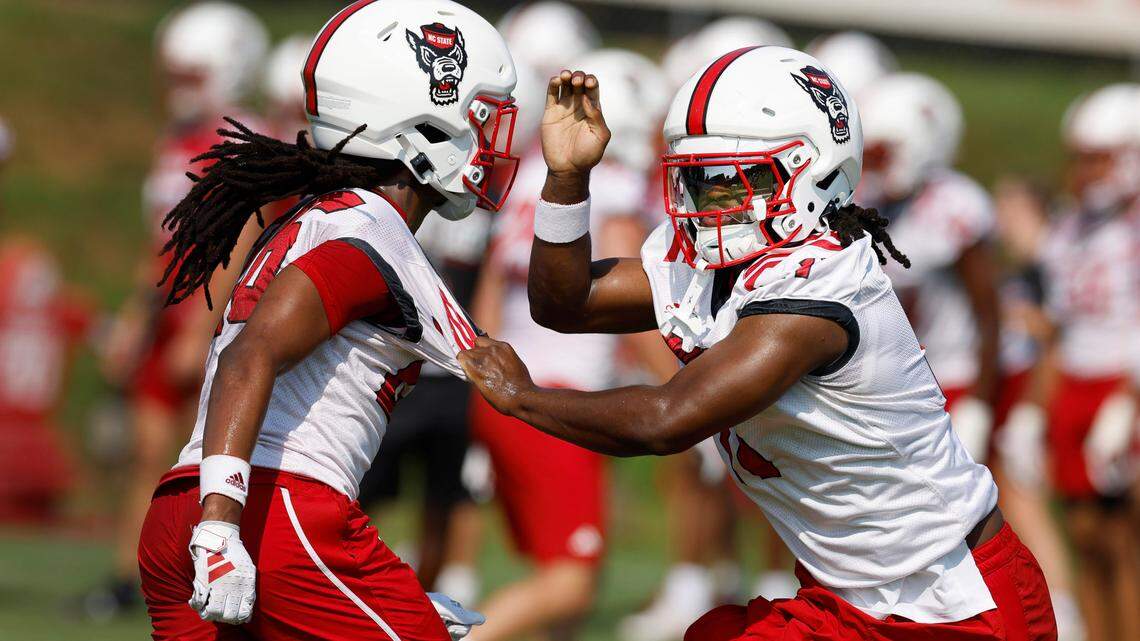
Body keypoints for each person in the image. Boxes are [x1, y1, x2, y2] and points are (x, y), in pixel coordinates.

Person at [460, 48, 1057, 640]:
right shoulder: (718, 260)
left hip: (953, 603)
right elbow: (566, 302)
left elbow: (666, 420)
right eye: (699, 181)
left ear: (816, 168)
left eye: (736, 180)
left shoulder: (821, 291)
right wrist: (566, 180)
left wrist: (523, 397)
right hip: (847, 599)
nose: (716, 205)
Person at [134, 1, 520, 639]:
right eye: (477, 116)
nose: (487, 139)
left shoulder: (320, 215)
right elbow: (249, 355)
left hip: (183, 502)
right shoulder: (367, 231)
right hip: (270, 505)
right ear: (420, 119)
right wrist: (224, 528)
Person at [466, 48, 674, 641]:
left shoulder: (531, 177)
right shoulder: (608, 188)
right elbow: (645, 308)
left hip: (506, 392)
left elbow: (486, 300)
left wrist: (481, 388)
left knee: (565, 589)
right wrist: (693, 387)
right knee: (569, 583)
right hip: (559, 398)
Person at [89, 1, 271, 619]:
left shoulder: (237, 138)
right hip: (167, 312)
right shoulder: (174, 141)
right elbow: (160, 245)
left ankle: (204, 572)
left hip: (213, 318)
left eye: (191, 75)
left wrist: (201, 323)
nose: (177, 89)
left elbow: (240, 240)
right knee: (146, 453)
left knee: (205, 459)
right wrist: (136, 322)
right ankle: (128, 577)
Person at [1001, 84, 1140, 641]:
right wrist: (1034, 411)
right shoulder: (1069, 230)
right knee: (1086, 539)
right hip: (1077, 387)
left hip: (1123, 385)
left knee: (1126, 540)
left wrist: (1129, 401)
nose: (1086, 172)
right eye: (1080, 157)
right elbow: (1056, 333)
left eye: (1098, 158)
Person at [858, 73, 1002, 465]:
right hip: (891, 386)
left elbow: (990, 313)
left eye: (881, 153)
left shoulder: (955, 206)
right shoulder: (871, 202)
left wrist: (979, 404)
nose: (871, 166)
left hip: (950, 378)